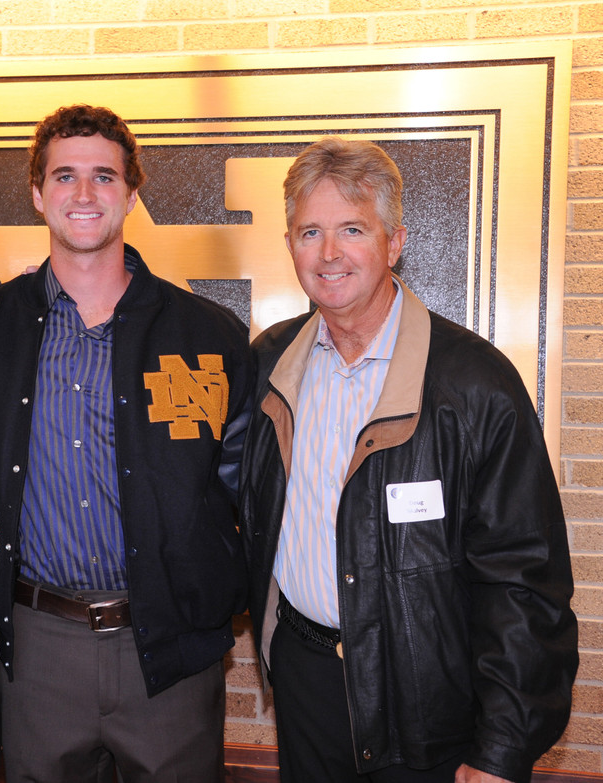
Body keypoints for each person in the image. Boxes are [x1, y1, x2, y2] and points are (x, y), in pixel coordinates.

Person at [238, 137, 578, 783]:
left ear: (394, 242)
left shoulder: (474, 383)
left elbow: (524, 582)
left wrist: (502, 747)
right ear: (290, 245)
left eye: (352, 229)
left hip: (432, 703)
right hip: (306, 678)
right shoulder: (270, 365)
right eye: (311, 231)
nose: (329, 253)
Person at [0, 104, 252, 783]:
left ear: (130, 192)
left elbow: (245, 484)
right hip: (37, 647)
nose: (84, 194)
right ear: (38, 195)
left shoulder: (207, 333)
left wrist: (215, 594)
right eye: (65, 176)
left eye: (103, 176)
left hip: (170, 651)